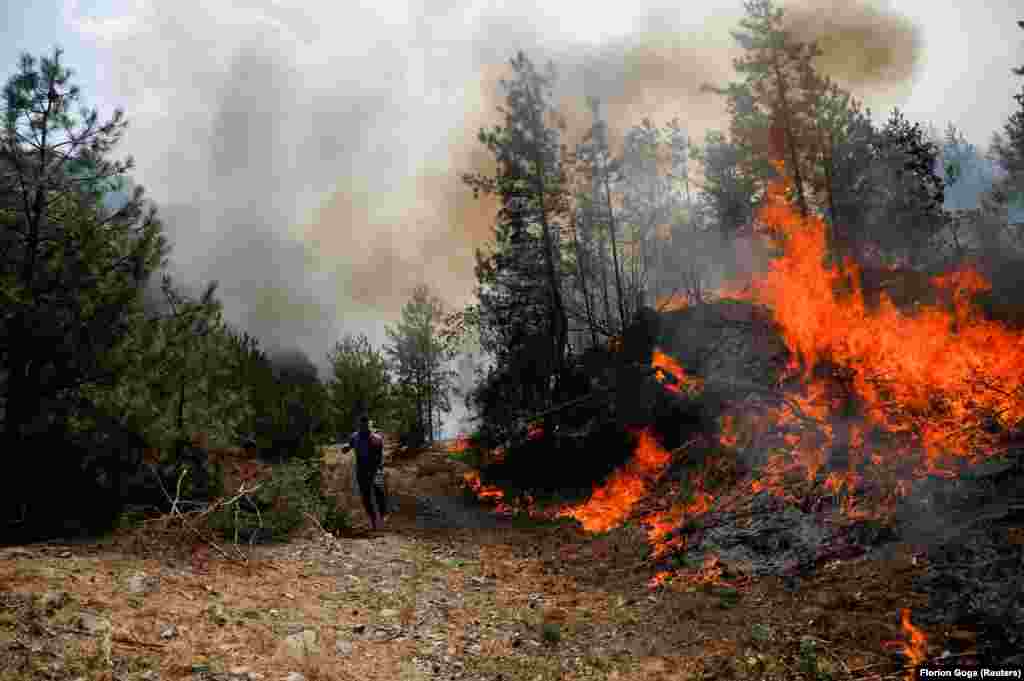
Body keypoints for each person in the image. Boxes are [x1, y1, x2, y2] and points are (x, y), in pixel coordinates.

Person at [342, 414, 388, 530]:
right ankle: (373, 520)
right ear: (359, 426)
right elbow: (350, 444)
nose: (364, 428)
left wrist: (379, 469)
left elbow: (379, 456)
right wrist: (346, 447)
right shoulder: (355, 436)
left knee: (379, 492)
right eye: (362, 426)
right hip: (361, 469)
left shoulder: (376, 438)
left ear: (369, 426)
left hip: (375, 468)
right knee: (365, 496)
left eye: (366, 426)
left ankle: (383, 517)